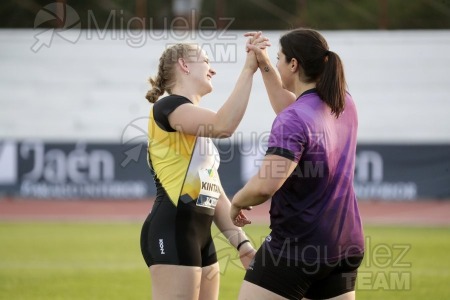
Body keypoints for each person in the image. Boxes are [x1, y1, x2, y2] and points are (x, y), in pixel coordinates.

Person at [230, 28, 365, 300]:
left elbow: (266, 185)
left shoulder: (292, 119)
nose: (277, 64)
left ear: (293, 64)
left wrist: (236, 201)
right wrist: (265, 62)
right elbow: (292, 108)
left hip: (297, 246)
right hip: (345, 246)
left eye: (280, 58)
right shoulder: (344, 103)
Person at [140, 40, 267, 299]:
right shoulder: (167, 107)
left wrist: (241, 243)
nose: (213, 69)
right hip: (172, 230)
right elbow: (223, 125)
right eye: (206, 61)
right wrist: (248, 70)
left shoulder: (196, 128)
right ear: (184, 65)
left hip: (200, 237)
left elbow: (214, 193)